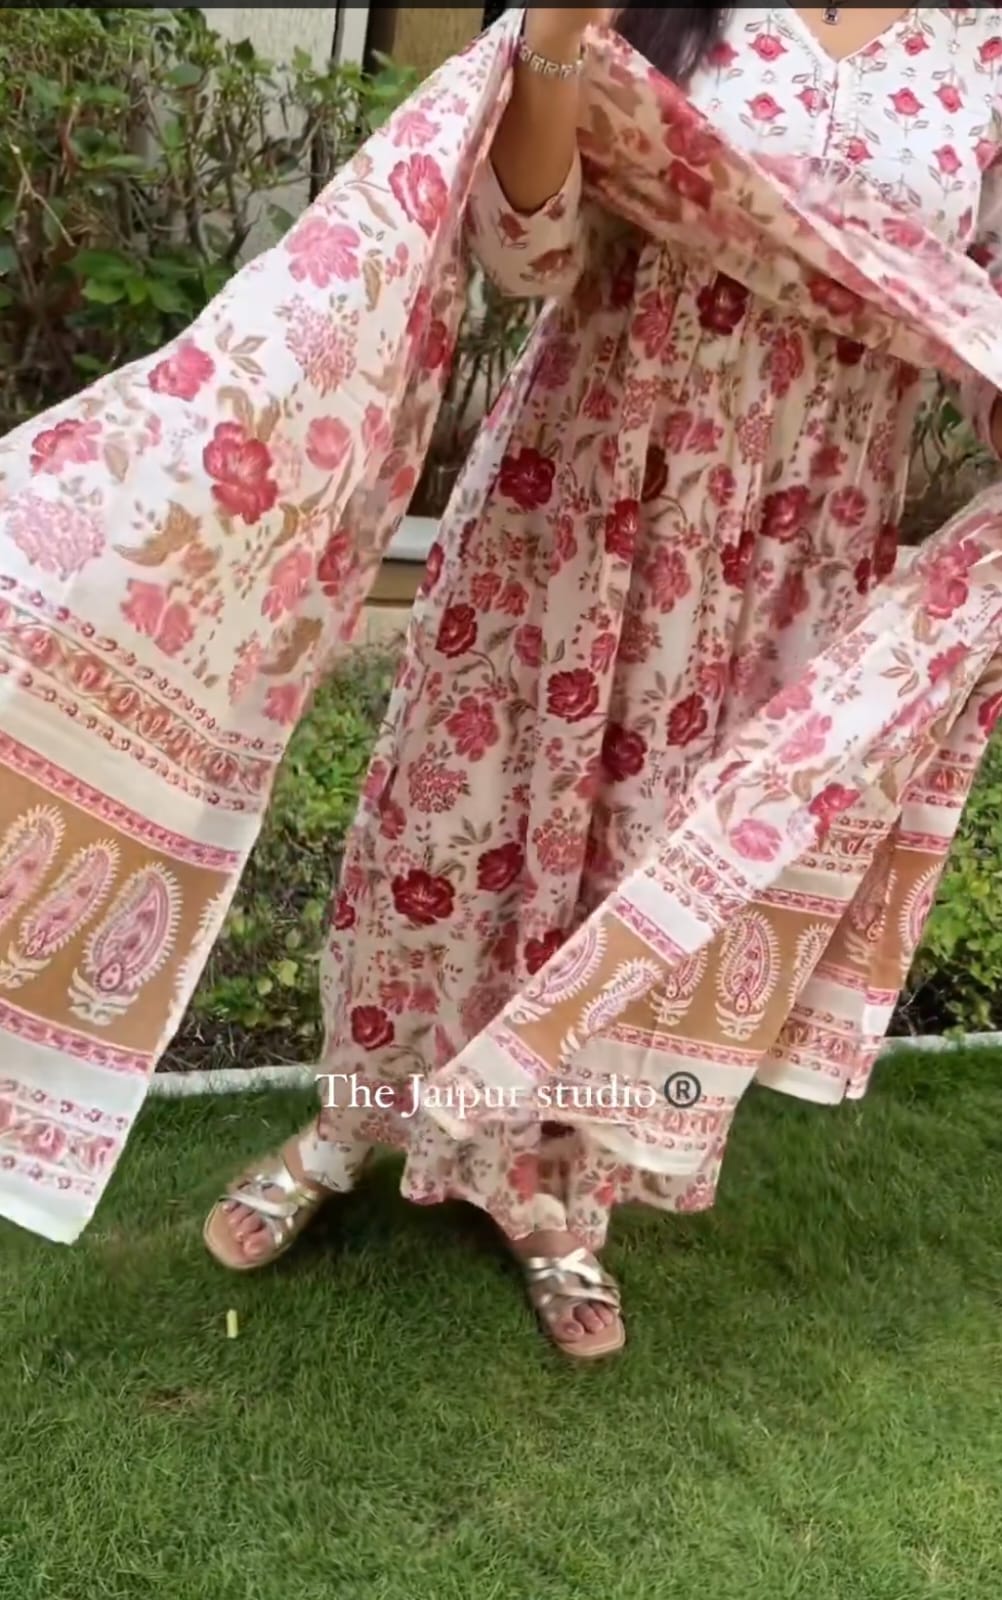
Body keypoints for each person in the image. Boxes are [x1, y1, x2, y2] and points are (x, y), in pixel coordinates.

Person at [204, 5, 1002, 1358]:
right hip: (580, 485)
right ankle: (349, 1121)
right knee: (446, 824)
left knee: (647, 865)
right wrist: (559, 38)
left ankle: (560, 1198)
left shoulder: (979, 47)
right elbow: (525, 256)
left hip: (794, 543)